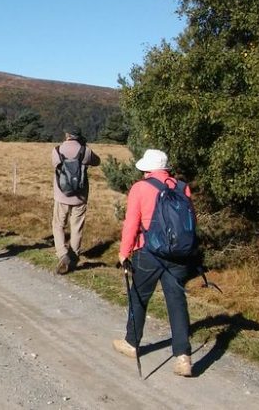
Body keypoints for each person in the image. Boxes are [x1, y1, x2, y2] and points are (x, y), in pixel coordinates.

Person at [112, 148, 194, 377]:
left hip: (148, 252)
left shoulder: (140, 188)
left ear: (147, 168)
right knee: (176, 301)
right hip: (178, 255)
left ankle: (131, 343)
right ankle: (183, 356)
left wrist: (124, 252)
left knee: (139, 297)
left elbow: (131, 223)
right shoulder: (181, 186)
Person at [51, 126, 100, 274]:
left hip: (61, 195)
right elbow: (97, 161)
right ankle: (72, 259)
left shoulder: (57, 150)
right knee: (76, 228)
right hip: (80, 196)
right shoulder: (85, 151)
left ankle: (62, 254)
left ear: (66, 135)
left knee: (58, 225)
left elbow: (55, 166)